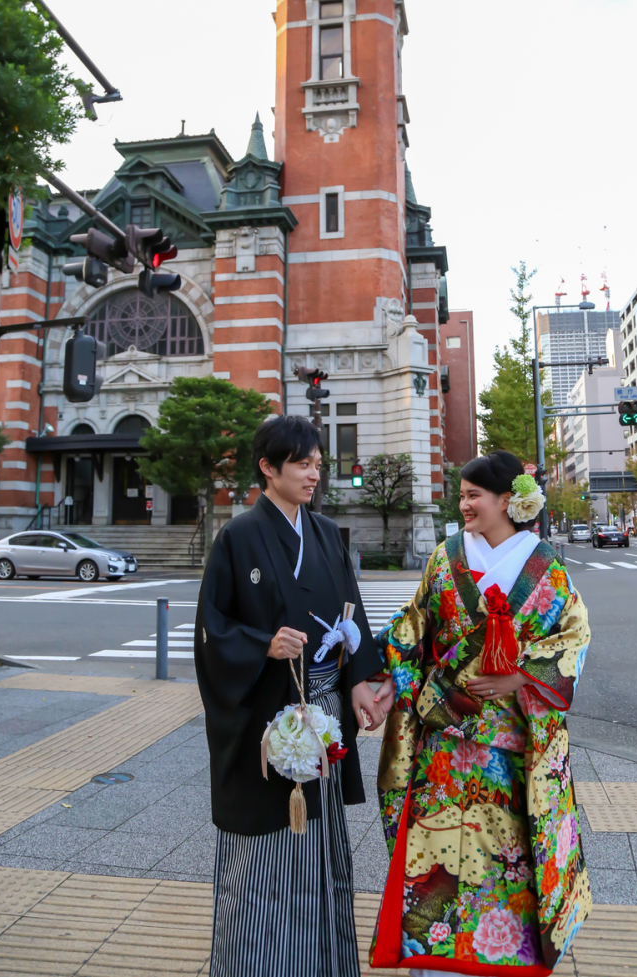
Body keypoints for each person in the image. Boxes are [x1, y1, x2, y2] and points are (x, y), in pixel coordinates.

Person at [369, 450, 591, 975]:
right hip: (445, 741)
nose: (464, 503)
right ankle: (431, 953)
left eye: (474, 495)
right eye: (462, 494)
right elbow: (416, 623)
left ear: (508, 501)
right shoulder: (446, 558)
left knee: (506, 861)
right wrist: (375, 669)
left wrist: (519, 675)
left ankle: (502, 955)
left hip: (509, 745)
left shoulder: (544, 565)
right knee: (437, 857)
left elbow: (574, 635)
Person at [194, 414, 395, 977]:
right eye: (303, 464)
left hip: (324, 716)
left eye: (318, 464)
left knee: (319, 854)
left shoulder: (328, 535)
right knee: (263, 856)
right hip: (267, 718)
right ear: (268, 468)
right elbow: (211, 630)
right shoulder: (237, 537)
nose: (315, 475)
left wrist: (358, 680)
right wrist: (263, 644)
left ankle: (323, 965)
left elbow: (352, 620)